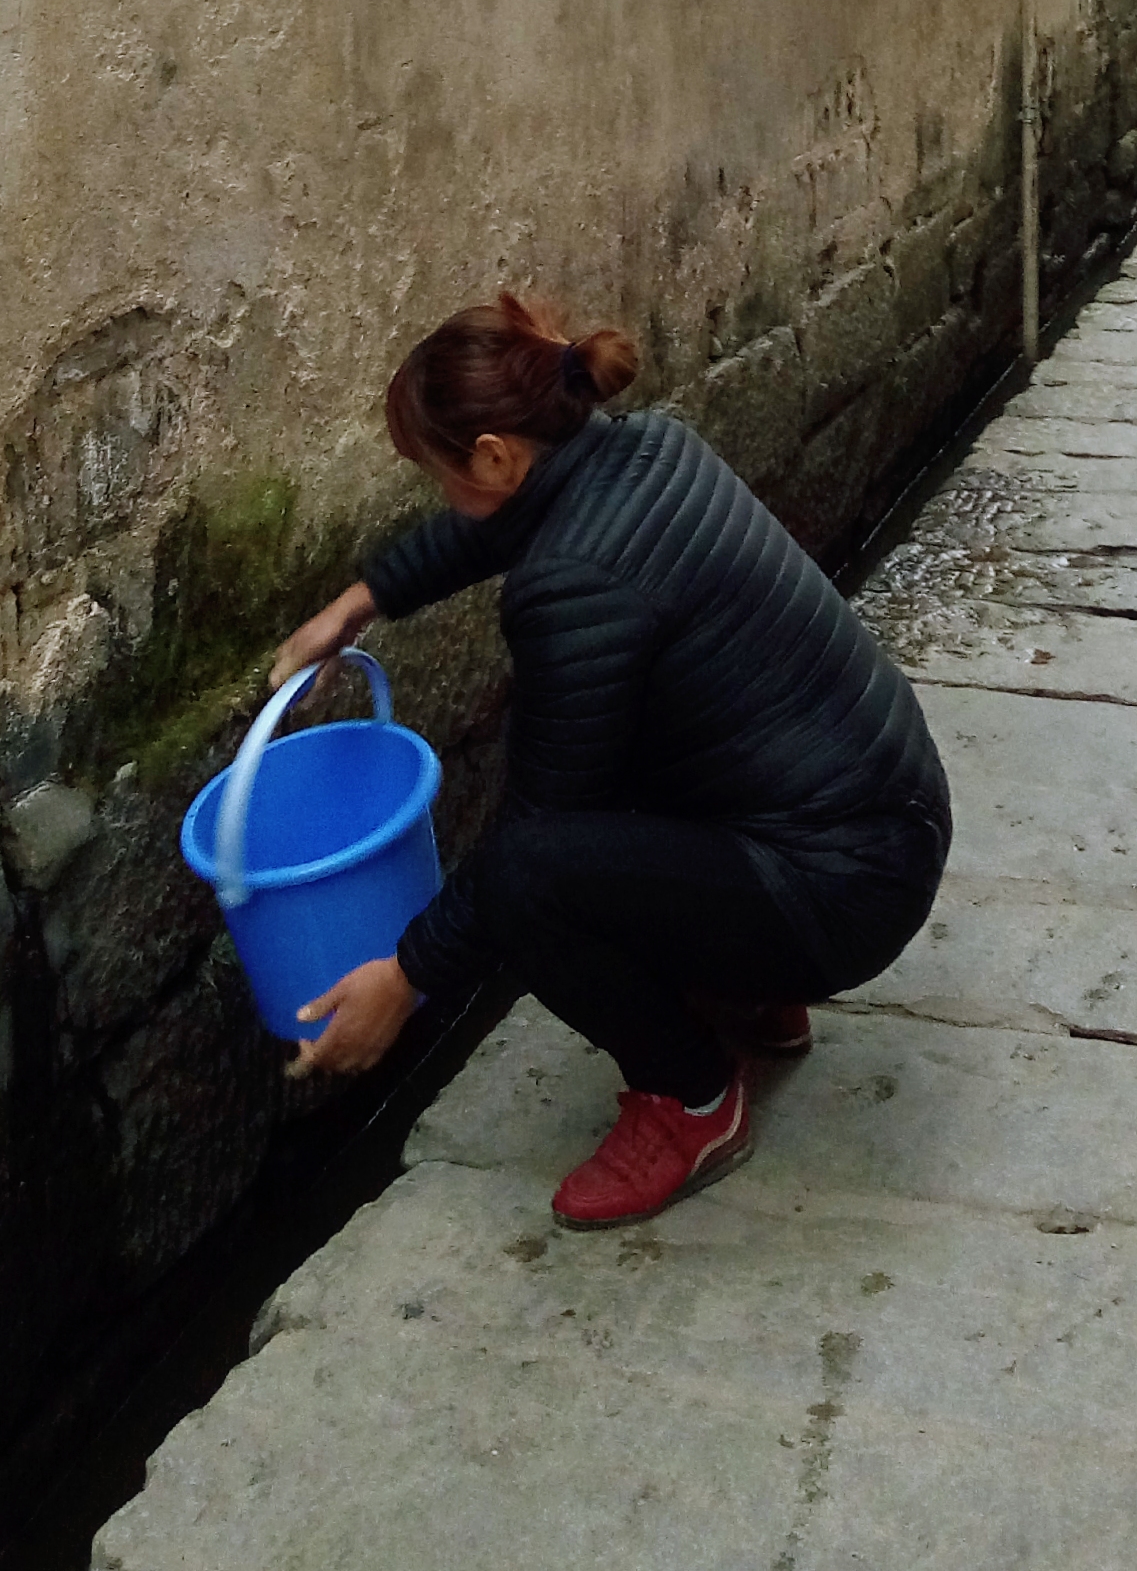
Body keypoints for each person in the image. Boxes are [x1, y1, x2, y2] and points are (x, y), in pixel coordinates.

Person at [267, 294, 951, 1230]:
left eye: (441, 475)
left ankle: (693, 1096)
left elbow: (536, 841)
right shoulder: (649, 448)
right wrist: (359, 603)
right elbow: (500, 522)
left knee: (526, 877)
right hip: (893, 814)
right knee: (602, 771)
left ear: (496, 457)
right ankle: (749, 991)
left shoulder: (572, 585)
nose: (445, 497)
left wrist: (405, 973)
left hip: (838, 897)